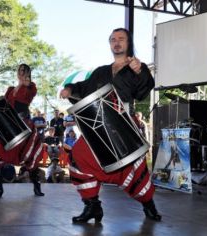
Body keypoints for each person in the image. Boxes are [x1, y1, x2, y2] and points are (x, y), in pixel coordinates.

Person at [60, 28, 161, 223]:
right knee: (79, 156)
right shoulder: (101, 72)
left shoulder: (137, 67)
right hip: (98, 126)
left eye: (121, 39)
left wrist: (139, 71)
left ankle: (148, 204)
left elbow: (143, 91)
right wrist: (70, 90)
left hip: (123, 124)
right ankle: (92, 206)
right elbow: (83, 88)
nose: (117, 42)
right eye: (113, 39)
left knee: (135, 170)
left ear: (128, 43)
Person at [0, 63, 44, 198]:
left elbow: (29, 95)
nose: (21, 72)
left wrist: (25, 83)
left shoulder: (31, 87)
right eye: (19, 70)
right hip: (9, 125)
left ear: (28, 73)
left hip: (24, 125)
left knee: (29, 156)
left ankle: (36, 185)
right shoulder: (10, 89)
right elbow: (4, 105)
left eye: (24, 71)